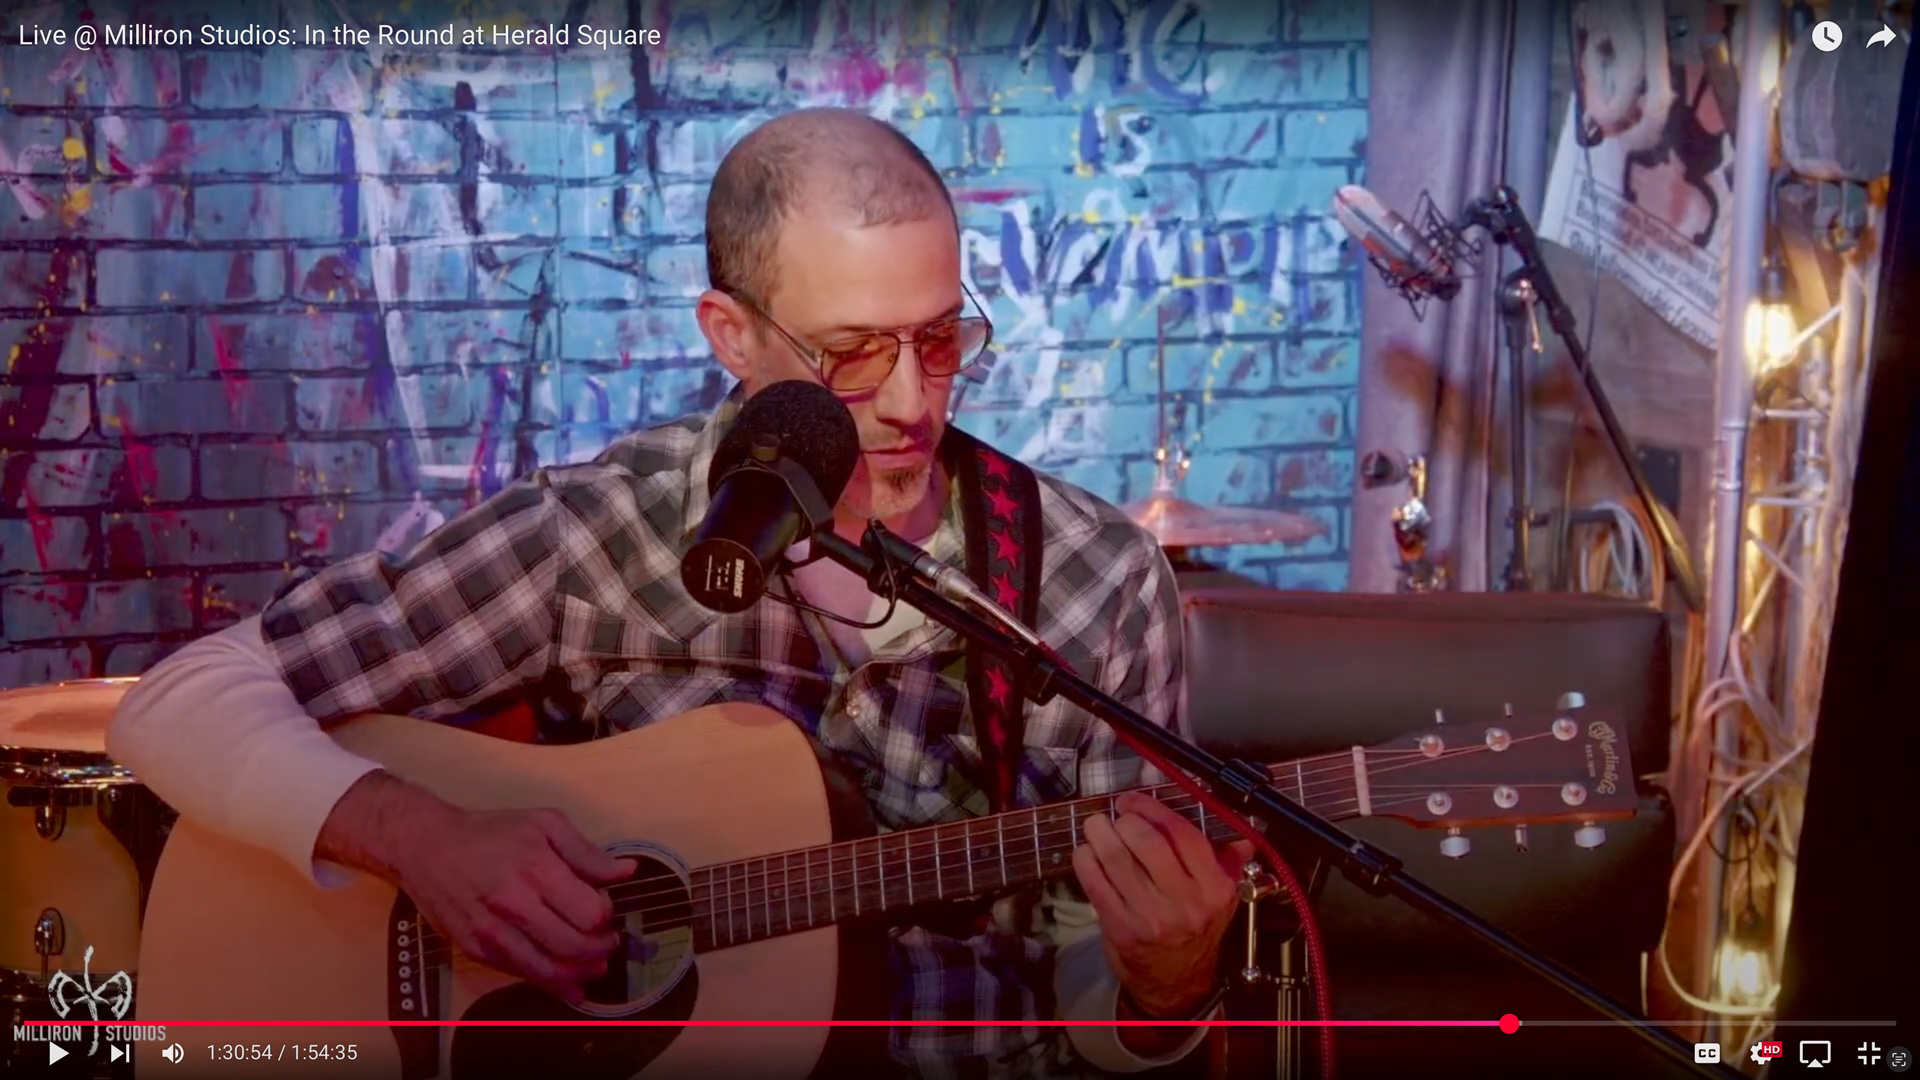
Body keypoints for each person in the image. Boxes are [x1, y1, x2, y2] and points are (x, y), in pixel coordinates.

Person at [109, 107, 1245, 1079]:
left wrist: (1163, 985)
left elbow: (1102, 1010)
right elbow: (183, 700)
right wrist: (422, 839)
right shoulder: (597, 532)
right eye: (854, 351)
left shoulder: (1094, 581)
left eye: (941, 338)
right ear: (733, 337)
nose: (912, 399)